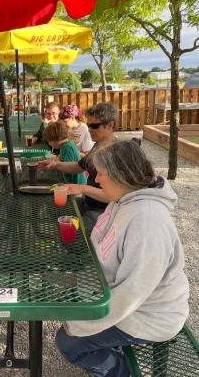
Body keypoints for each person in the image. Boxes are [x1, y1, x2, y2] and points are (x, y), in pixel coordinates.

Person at [55, 139, 189, 377]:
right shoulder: (124, 200)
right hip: (122, 300)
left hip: (150, 315)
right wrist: (78, 281)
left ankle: (121, 373)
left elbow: (132, 293)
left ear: (120, 176)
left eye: (101, 174)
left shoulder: (146, 221)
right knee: (62, 301)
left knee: (69, 342)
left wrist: (83, 321)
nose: (96, 180)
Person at [38, 102, 118, 235]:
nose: (89, 129)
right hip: (88, 202)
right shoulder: (99, 145)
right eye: (89, 125)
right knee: (56, 208)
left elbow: (113, 197)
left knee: (72, 232)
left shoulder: (117, 153)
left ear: (110, 125)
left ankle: (75, 252)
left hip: (104, 212)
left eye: (94, 126)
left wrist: (82, 188)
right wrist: (55, 164)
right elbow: (79, 166)